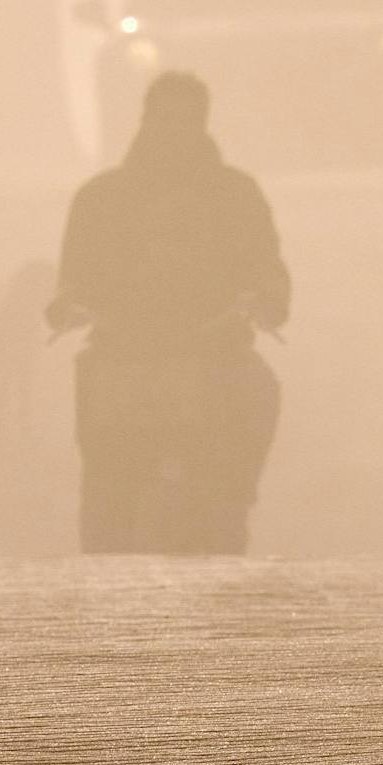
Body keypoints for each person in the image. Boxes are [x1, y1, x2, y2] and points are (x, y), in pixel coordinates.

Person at [47, 71, 289, 553]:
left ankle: (229, 512)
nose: (172, 132)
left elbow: (266, 268)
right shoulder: (101, 199)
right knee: (107, 497)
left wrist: (267, 300)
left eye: (184, 120)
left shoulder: (236, 196)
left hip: (214, 354)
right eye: (163, 119)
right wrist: (67, 303)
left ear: (202, 123)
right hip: (124, 359)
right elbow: (74, 277)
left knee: (230, 483)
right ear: (145, 120)